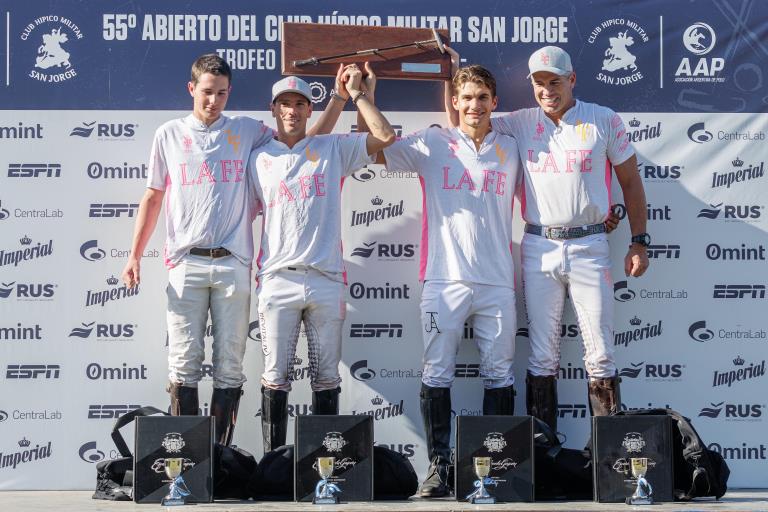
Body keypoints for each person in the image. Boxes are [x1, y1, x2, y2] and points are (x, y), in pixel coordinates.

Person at [120, 54, 345, 446]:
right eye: (207, 92)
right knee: (183, 365)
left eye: (221, 93)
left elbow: (306, 141)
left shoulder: (248, 131)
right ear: (192, 89)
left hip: (233, 263)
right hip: (185, 263)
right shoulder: (168, 134)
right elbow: (153, 196)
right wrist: (135, 255)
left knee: (229, 369)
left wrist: (339, 102)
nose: (213, 101)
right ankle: (185, 460)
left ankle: (219, 460)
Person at [446, 46, 650, 433]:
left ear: (571, 79)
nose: (546, 90)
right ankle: (544, 452)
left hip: (590, 246)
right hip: (539, 246)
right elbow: (466, 125)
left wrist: (638, 240)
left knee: (601, 354)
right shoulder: (518, 123)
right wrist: (451, 78)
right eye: (539, 83)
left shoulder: (603, 119)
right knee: (542, 356)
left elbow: (630, 182)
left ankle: (606, 460)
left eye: (554, 81)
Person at [372, 64, 521, 498]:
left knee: (499, 375)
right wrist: (364, 96)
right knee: (437, 373)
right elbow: (381, 146)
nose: (474, 106)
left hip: (497, 282)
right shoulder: (433, 142)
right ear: (454, 102)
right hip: (444, 280)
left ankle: (492, 468)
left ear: (495, 102)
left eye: (482, 98)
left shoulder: (511, 146)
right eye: (466, 98)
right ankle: (439, 467)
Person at [250, 64, 396, 452]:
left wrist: (358, 94)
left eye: (300, 104)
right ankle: (273, 466)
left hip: (326, 280)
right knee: (275, 376)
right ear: (273, 109)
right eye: (285, 104)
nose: (292, 111)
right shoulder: (259, 157)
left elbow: (383, 136)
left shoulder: (331, 149)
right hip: (277, 279)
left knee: (327, 377)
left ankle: (324, 463)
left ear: (309, 110)